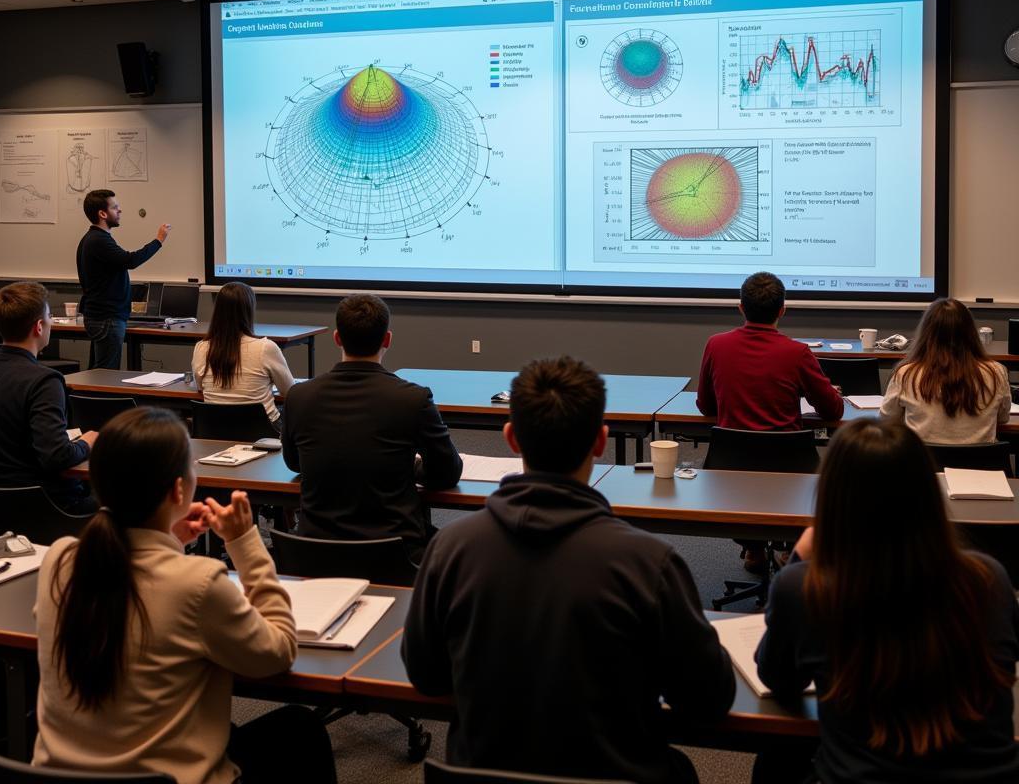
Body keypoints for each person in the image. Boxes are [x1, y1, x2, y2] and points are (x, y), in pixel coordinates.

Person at [402, 356, 735, 784]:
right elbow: (708, 699)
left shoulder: (449, 549)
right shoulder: (649, 564)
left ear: (511, 438)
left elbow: (425, 676)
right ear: (600, 441)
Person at [32, 407, 336, 784]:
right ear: (179, 489)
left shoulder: (60, 560)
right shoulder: (198, 583)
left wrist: (169, 541)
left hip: (60, 777)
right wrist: (245, 545)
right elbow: (278, 652)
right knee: (299, 730)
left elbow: (140, 593)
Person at [755, 419, 1019, 784]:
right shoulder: (989, 579)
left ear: (831, 498)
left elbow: (778, 680)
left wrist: (799, 559)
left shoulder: (804, 588)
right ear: (928, 493)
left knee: (775, 753)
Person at [282, 293, 462, 562]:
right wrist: (411, 467)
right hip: (394, 556)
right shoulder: (413, 399)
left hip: (316, 555)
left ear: (337, 339)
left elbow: (295, 463)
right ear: (387, 339)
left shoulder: (299, 396)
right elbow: (447, 473)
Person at [0, 281, 97, 512]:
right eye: (50, 316)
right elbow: (56, 456)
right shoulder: (44, 381)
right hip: (43, 506)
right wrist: (86, 443)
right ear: (39, 327)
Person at [697, 271, 843, 430]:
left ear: (741, 308)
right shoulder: (798, 353)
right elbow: (833, 412)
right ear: (782, 311)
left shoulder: (716, 345)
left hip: (730, 453)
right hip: (786, 454)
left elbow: (706, 407)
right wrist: (830, 393)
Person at [880, 297, 1010, 444]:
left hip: (924, 465)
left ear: (927, 333)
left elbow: (887, 418)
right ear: (970, 333)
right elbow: (1003, 418)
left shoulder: (907, 373)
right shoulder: (996, 372)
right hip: (982, 465)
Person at [76, 188, 170, 369]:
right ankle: (100, 398)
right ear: (102, 213)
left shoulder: (92, 238)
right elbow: (130, 260)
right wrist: (158, 240)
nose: (120, 211)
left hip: (102, 316)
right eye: (115, 207)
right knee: (105, 374)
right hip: (107, 318)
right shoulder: (98, 240)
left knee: (98, 372)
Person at [193, 281, 294, 433]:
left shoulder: (202, 347)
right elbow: (289, 391)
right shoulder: (266, 348)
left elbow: (200, 386)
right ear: (249, 310)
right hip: (262, 431)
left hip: (215, 430)